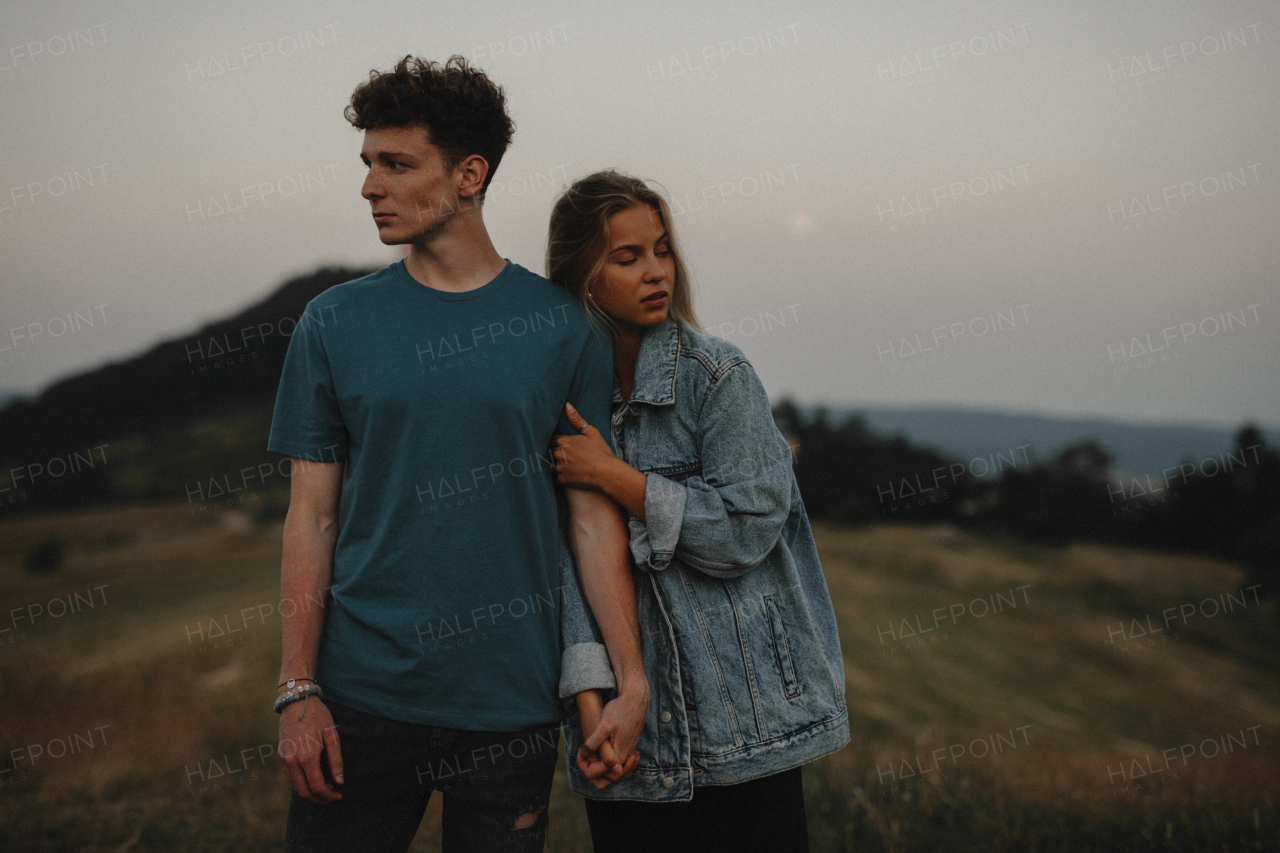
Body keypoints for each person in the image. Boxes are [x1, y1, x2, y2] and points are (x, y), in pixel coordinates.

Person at [267, 58, 648, 852]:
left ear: (469, 174)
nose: (371, 186)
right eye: (368, 164)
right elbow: (312, 514)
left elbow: (589, 517)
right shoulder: (333, 323)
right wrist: (298, 689)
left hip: (510, 706)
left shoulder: (562, 329)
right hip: (361, 699)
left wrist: (628, 678)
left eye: (396, 165)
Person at [547, 170, 850, 852]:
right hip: (631, 741)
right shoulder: (564, 403)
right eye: (627, 257)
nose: (656, 271)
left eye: (661, 249)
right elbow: (570, 566)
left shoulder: (716, 377)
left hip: (747, 731)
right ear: (583, 277)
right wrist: (595, 712)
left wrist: (617, 477)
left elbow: (744, 529)